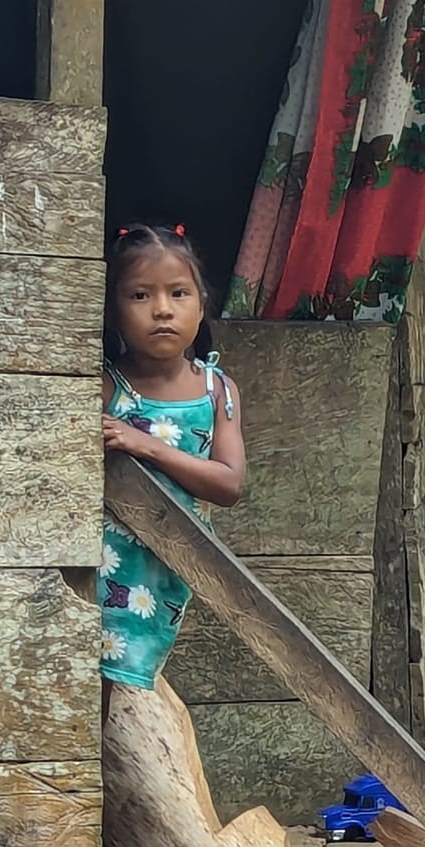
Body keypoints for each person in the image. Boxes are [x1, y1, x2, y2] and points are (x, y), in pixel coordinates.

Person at [98, 223, 247, 695]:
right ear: (112, 310)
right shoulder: (105, 386)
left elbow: (228, 484)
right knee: (95, 675)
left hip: (167, 566)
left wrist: (147, 445)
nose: (162, 309)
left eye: (178, 293)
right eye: (140, 295)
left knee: (130, 674)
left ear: (201, 305)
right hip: (105, 564)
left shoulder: (217, 390)